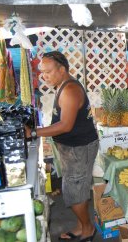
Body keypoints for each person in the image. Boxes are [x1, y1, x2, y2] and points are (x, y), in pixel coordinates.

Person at [25, 51, 98, 242]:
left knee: (74, 192)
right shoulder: (62, 85)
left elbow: (65, 125)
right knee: (75, 189)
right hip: (72, 149)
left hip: (79, 149)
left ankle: (88, 228)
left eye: (48, 71)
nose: (44, 76)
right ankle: (82, 225)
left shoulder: (70, 90)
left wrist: (33, 132)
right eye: (42, 73)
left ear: (62, 69)